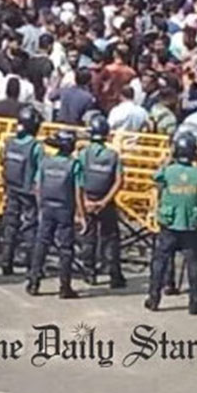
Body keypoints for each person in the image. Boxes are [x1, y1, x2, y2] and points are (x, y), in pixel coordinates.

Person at [146, 131, 197, 315]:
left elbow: (155, 177)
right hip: (191, 225)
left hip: (169, 224)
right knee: (194, 263)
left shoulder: (168, 171)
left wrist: (169, 158)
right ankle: (195, 302)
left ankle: (153, 298)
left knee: (160, 261)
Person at [28, 126, 84, 298]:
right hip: (65, 209)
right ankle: (64, 287)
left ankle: (33, 282)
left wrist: (40, 206)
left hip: (47, 207)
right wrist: (81, 215)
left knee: (41, 243)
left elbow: (38, 186)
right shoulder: (74, 164)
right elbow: (78, 191)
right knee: (65, 248)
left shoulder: (45, 162)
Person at [77, 112, 127, 288]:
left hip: (87, 199)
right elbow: (119, 181)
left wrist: (84, 201)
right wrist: (105, 201)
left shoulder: (83, 154)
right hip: (105, 201)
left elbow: (78, 180)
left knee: (88, 236)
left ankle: (89, 273)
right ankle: (114, 275)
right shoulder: (113, 155)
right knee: (111, 238)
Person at [0, 110, 43, 275]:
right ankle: (32, 265)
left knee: (11, 224)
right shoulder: (36, 146)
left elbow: (3, 162)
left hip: (11, 188)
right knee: (30, 226)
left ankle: (6, 261)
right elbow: (40, 172)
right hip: (28, 191)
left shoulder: (9, 142)